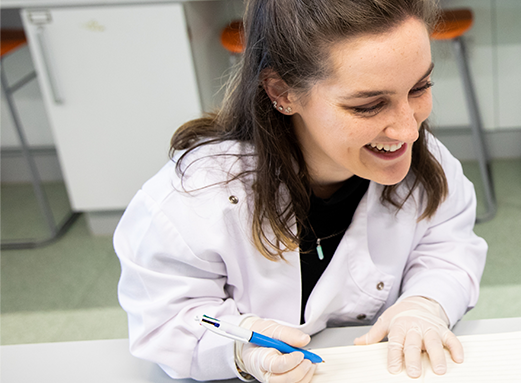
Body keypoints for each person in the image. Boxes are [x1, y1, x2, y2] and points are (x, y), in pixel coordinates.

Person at [113, 1, 487, 382]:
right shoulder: (193, 200)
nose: (409, 130)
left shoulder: (428, 166)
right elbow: (168, 319)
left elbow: (447, 249)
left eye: (420, 87)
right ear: (283, 92)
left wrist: (425, 303)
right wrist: (241, 351)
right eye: (369, 105)